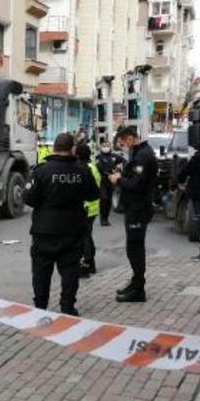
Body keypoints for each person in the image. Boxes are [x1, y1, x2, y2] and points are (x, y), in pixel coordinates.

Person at [25, 133, 100, 315]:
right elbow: (93, 195)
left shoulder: (42, 170)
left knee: (41, 272)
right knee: (70, 271)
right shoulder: (82, 170)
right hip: (73, 229)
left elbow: (30, 199)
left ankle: (41, 307)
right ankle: (67, 307)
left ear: (54, 148)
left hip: (45, 230)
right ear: (72, 149)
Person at [109, 126, 158, 302]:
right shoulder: (138, 153)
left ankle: (138, 289)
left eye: (123, 143)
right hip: (134, 207)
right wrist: (122, 173)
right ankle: (136, 282)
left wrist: (118, 179)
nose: (123, 147)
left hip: (139, 209)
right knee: (132, 248)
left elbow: (137, 185)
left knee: (135, 249)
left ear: (130, 138)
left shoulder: (143, 155)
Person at [75, 143, 101, 277]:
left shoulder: (84, 168)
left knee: (84, 237)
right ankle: (91, 264)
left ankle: (87, 264)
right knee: (88, 236)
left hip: (85, 207)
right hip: (93, 207)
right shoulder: (93, 167)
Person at [95, 140, 126, 226]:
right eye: (104, 145)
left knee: (109, 201)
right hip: (103, 181)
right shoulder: (98, 157)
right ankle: (102, 218)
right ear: (101, 147)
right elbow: (99, 168)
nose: (106, 147)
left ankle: (106, 219)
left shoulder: (114, 156)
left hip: (111, 182)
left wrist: (118, 169)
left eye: (107, 145)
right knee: (104, 199)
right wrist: (109, 174)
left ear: (110, 146)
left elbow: (124, 161)